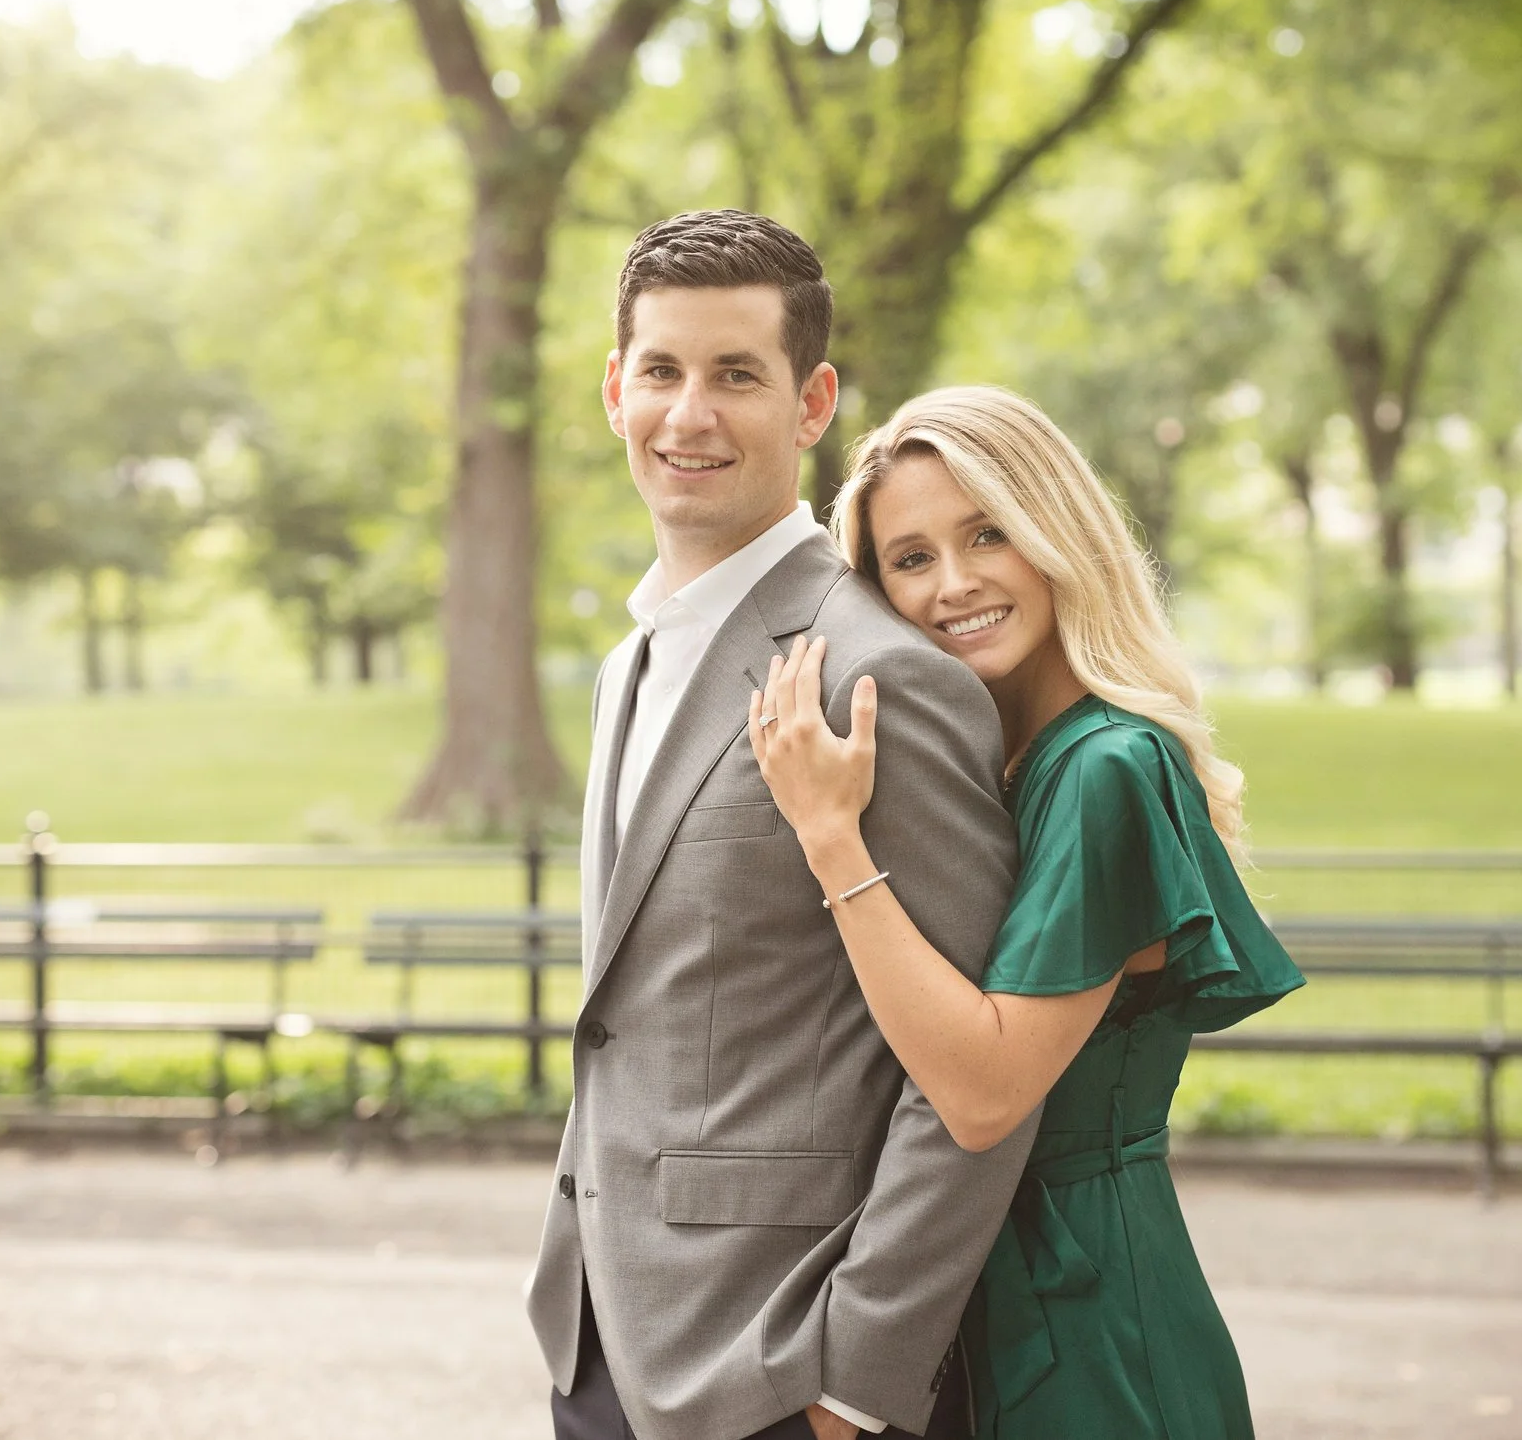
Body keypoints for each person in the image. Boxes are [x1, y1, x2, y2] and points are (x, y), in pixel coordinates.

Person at [529, 213, 1039, 1440]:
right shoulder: (629, 664)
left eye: (735, 375)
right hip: (598, 1333)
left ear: (812, 403)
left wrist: (857, 1380)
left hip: (777, 1362)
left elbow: (972, 1076)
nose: (688, 414)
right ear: (614, 389)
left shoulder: (882, 670)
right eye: (661, 370)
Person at [747, 385, 1305, 1440]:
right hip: (985, 1302)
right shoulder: (1014, 769)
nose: (953, 583)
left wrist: (829, 837)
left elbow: (982, 1092)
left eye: (986, 533)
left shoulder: (1109, 766)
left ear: (1058, 533)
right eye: (910, 559)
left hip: (1091, 1321)